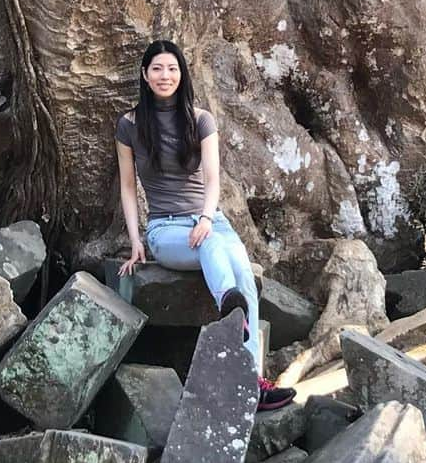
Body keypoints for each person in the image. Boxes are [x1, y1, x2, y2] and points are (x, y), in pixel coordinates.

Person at [116, 38, 296, 413]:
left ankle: (250, 383)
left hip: (210, 220)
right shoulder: (129, 125)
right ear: (145, 75)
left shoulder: (201, 120)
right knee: (213, 249)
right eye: (158, 69)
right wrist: (136, 241)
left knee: (244, 275)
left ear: (182, 75)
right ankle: (230, 308)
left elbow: (213, 180)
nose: (165, 76)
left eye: (172, 69)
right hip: (165, 230)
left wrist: (205, 216)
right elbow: (129, 188)